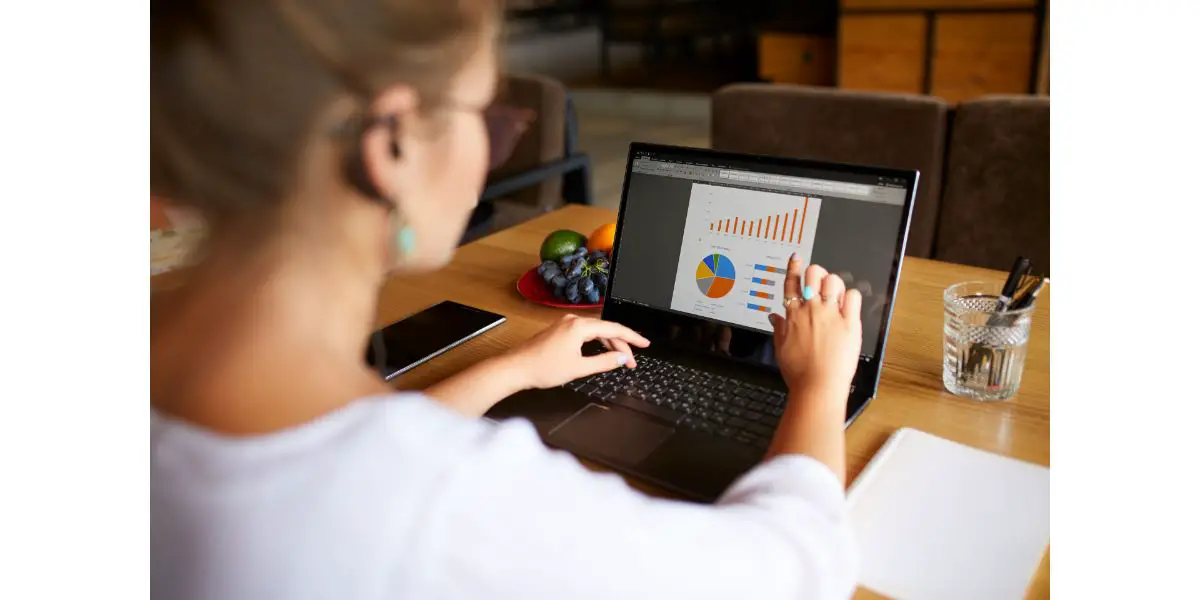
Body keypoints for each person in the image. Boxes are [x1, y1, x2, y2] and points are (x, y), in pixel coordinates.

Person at [150, 1, 865, 598]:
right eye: (488, 119)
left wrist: (512, 371)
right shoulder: (447, 499)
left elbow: (325, 453)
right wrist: (822, 381)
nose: (490, 151)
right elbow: (789, 571)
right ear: (391, 143)